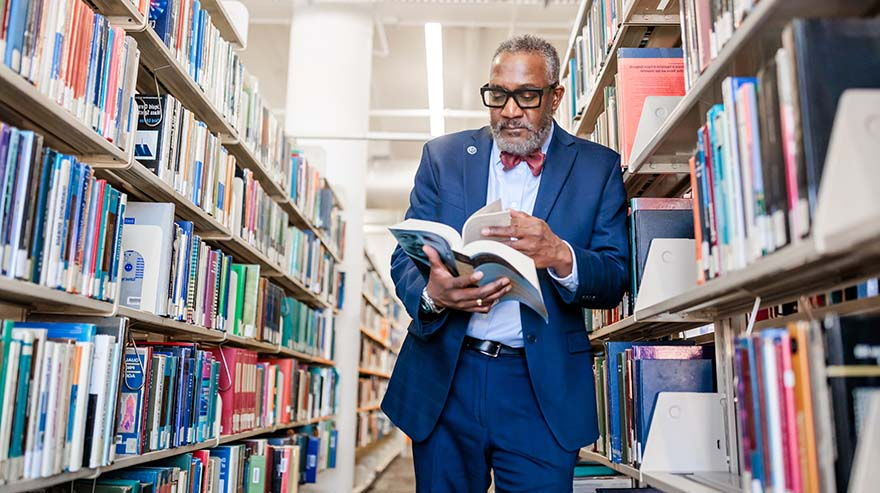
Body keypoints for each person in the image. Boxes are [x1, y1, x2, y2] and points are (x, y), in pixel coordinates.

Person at [381, 34, 629, 492]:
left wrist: (559, 254)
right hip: (447, 379)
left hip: (541, 388)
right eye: (498, 96)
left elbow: (615, 276)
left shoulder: (597, 168)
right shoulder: (443, 156)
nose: (510, 110)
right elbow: (405, 257)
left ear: (555, 97)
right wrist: (433, 294)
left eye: (527, 96)